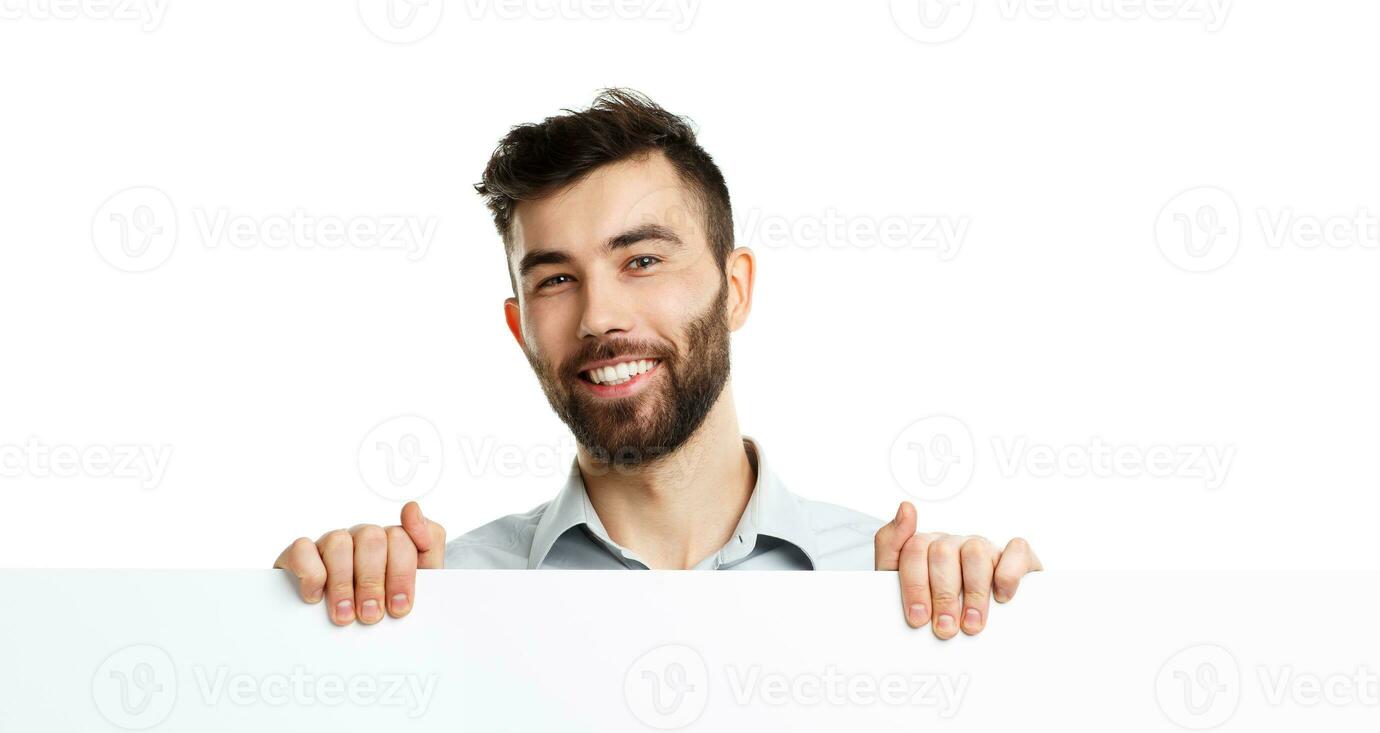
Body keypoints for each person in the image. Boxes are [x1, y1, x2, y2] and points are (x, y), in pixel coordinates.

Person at [274, 88, 1041, 639]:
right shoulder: (440, 597)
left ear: (734, 289)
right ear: (520, 327)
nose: (599, 316)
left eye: (641, 259)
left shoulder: (894, 590)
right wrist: (309, 622)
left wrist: (1011, 635)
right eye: (556, 279)